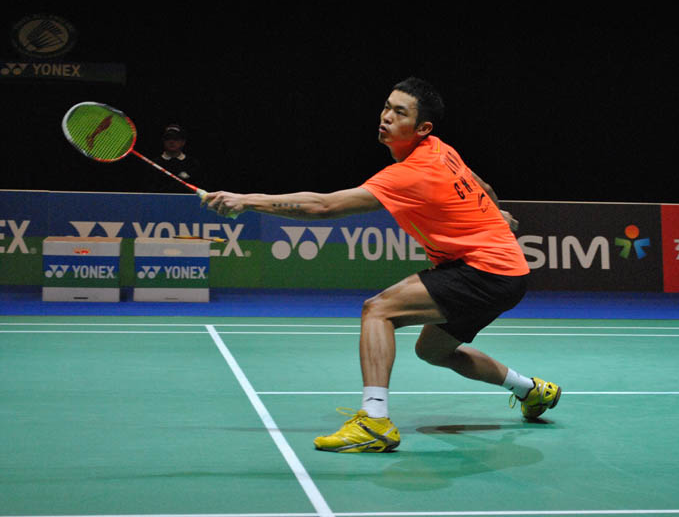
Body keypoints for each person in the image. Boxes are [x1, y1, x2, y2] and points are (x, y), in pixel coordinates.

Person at [204, 77, 561, 453]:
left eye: (400, 112)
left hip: (484, 270)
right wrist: (496, 214)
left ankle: (374, 421)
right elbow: (481, 186)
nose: (386, 116)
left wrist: (247, 200)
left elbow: (324, 206)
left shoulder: (410, 173)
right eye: (387, 107)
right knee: (433, 351)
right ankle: (531, 390)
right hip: (506, 272)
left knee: (378, 311)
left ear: (422, 128)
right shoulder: (440, 149)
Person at [149, 124, 203, 193]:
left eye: (176, 139)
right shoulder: (154, 164)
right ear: (163, 141)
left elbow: (199, 189)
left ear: (183, 142)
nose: (171, 142)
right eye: (168, 138)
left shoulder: (192, 164)